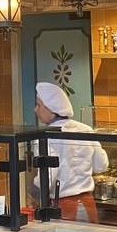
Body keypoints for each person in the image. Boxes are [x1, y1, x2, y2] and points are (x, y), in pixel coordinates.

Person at [33, 82, 109, 223]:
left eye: (39, 105)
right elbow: (101, 166)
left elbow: (48, 176)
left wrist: (33, 194)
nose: (35, 109)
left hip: (63, 207)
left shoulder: (45, 136)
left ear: (51, 109)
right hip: (87, 205)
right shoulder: (85, 129)